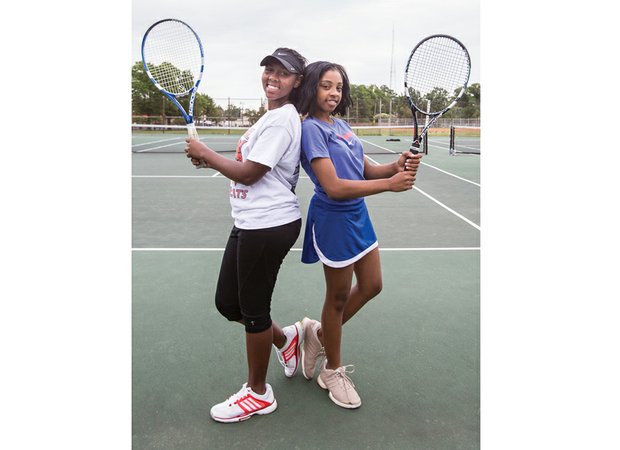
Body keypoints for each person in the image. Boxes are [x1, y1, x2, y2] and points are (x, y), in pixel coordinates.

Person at [185, 48, 307, 423]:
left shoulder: (282, 120)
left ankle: (258, 393)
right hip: (250, 221)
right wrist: (207, 158)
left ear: (297, 81)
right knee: (229, 305)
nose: (272, 77)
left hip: (269, 225)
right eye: (268, 70)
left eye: (282, 73)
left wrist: (206, 152)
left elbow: (250, 172)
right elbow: (244, 166)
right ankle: (287, 341)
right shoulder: (268, 118)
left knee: (253, 311)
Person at [296, 61, 422, 409]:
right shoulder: (311, 130)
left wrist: (396, 166)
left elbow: (366, 168)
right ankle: (331, 370)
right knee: (336, 299)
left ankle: (318, 333)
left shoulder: (342, 126)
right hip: (333, 220)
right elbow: (334, 186)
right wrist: (390, 184)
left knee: (372, 285)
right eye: (325, 86)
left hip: (358, 217)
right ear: (311, 88)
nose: (333, 93)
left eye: (338, 86)